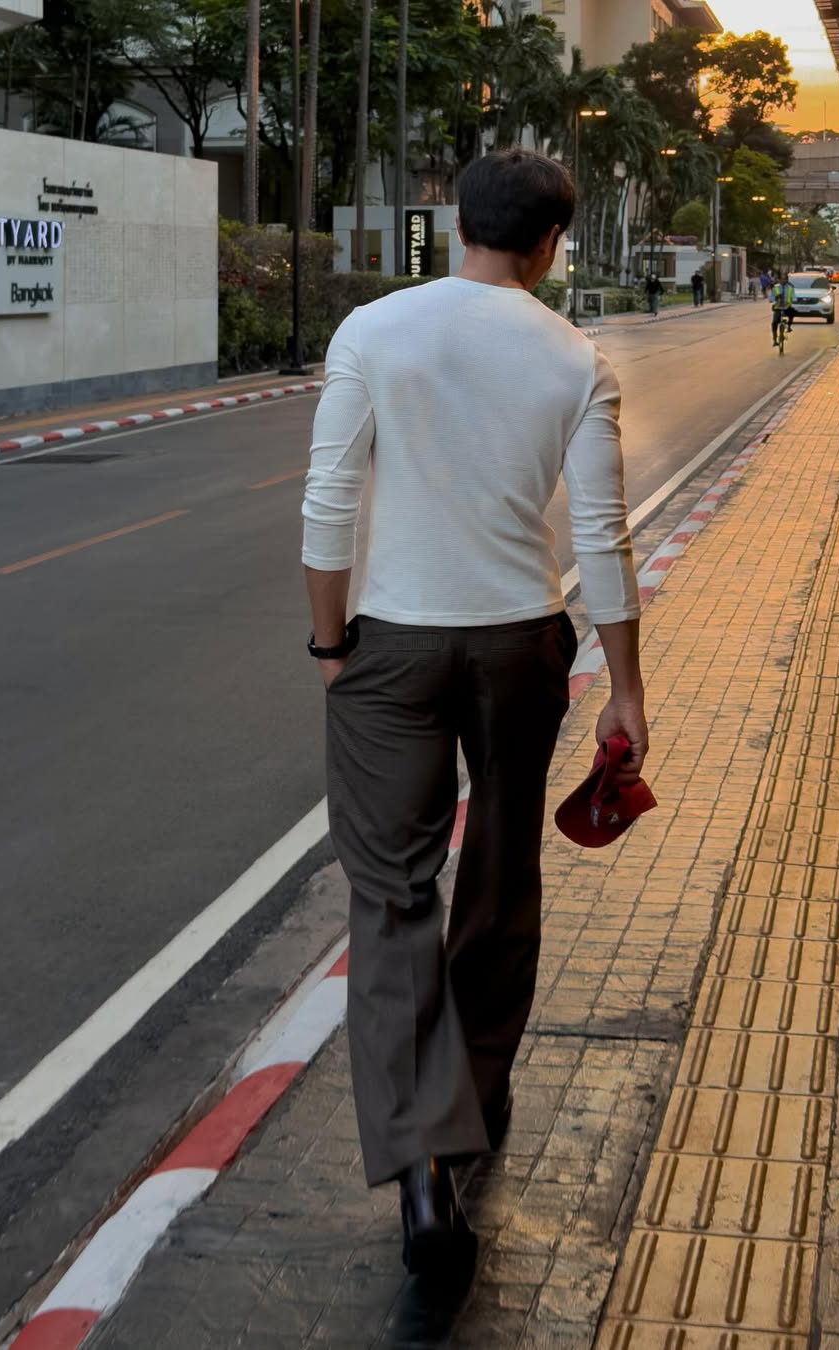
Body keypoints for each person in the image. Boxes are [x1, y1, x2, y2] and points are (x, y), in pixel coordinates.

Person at [301, 148, 647, 1275]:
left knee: (394, 896)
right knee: (501, 872)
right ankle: (478, 1101)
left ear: (456, 222)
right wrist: (628, 688)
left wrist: (330, 640)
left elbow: (329, 501)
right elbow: (601, 536)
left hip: (391, 644)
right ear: (552, 244)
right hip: (519, 646)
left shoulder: (374, 332)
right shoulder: (576, 356)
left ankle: (422, 1164)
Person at [770, 271, 795, 346]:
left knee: (793, 312)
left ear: (787, 280)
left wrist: (792, 301)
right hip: (778, 307)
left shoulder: (790, 288)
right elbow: (771, 298)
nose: (783, 281)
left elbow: (794, 297)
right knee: (774, 322)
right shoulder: (776, 288)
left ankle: (789, 327)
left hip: (787, 306)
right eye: (781, 279)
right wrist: (774, 298)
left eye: (784, 279)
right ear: (779, 280)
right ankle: (775, 339)